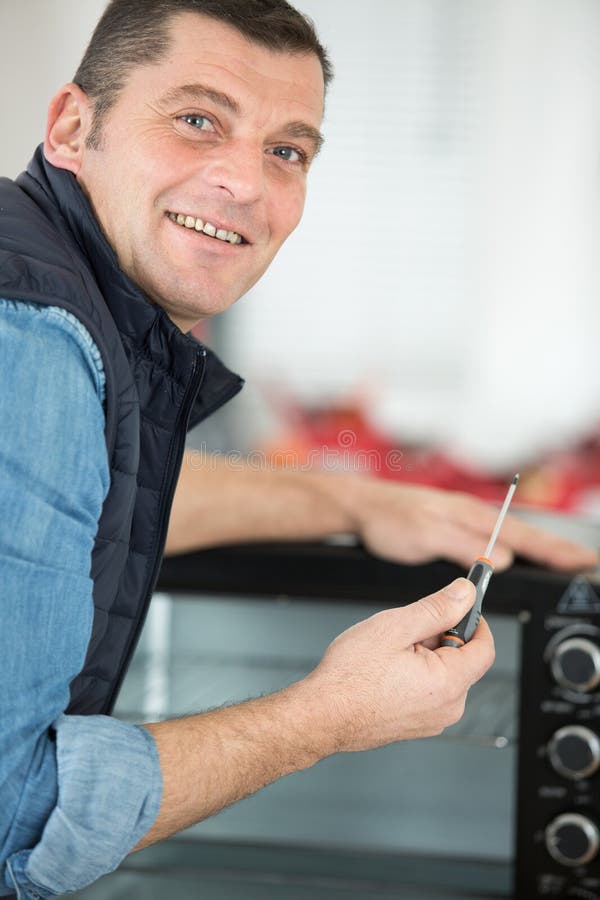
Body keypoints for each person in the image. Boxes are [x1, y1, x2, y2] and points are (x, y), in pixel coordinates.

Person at [0, 1, 595, 896]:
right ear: (74, 128)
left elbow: (71, 496)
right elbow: (19, 818)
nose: (245, 184)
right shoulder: (38, 340)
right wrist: (326, 717)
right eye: (198, 120)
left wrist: (359, 502)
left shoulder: (43, 283)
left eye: (287, 150)